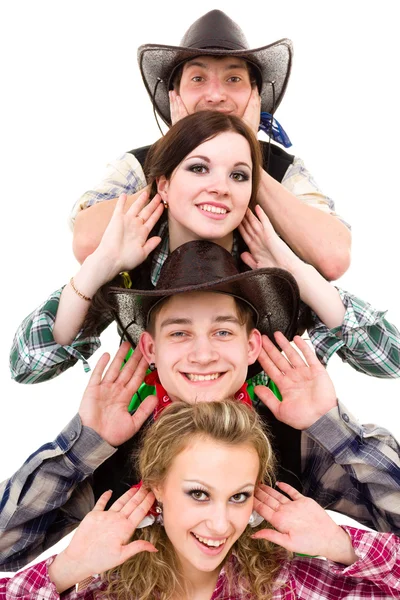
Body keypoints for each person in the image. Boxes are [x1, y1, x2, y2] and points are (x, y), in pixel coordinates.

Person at [2, 242, 400, 573]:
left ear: (251, 347)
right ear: (150, 349)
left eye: (223, 331)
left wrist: (331, 426)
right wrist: (81, 445)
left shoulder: (295, 436)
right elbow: (5, 547)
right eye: (180, 332)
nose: (203, 354)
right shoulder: (109, 447)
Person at [9, 113, 400, 386]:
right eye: (198, 168)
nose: (220, 186)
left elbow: (388, 358)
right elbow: (29, 364)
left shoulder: (265, 261)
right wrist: (99, 267)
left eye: (239, 175)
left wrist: (294, 269)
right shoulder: (132, 265)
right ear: (162, 184)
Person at [1, 401, 399, 598]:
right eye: (198, 494)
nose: (221, 524)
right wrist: (62, 571)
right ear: (155, 487)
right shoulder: (101, 588)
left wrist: (342, 546)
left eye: (239, 496)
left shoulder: (286, 582)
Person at [71, 10, 351, 282]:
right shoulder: (138, 164)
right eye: (198, 79)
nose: (216, 95)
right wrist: (179, 157)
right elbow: (85, 243)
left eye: (233, 79)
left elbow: (333, 257)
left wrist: (248, 156)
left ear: (255, 95)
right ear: (175, 95)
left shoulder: (284, 169)